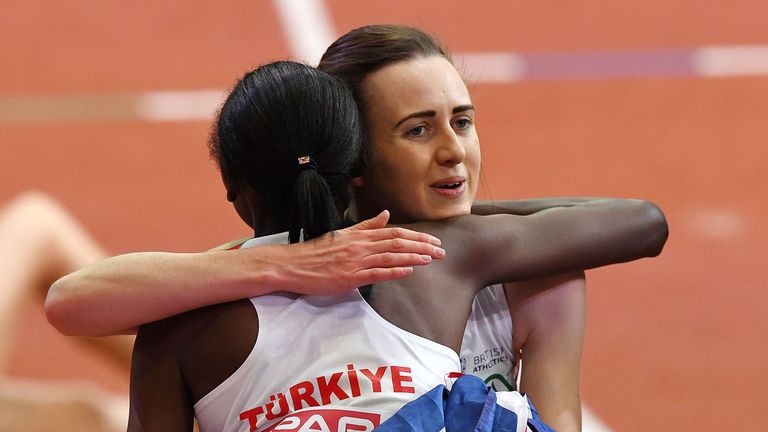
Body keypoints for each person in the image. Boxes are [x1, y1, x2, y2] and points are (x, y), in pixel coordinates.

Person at [47, 25, 668, 431]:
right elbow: (643, 221)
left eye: (464, 121)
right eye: (418, 129)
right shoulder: (445, 258)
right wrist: (271, 262)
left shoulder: (519, 265)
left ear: (236, 191)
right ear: (355, 164)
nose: (453, 151)